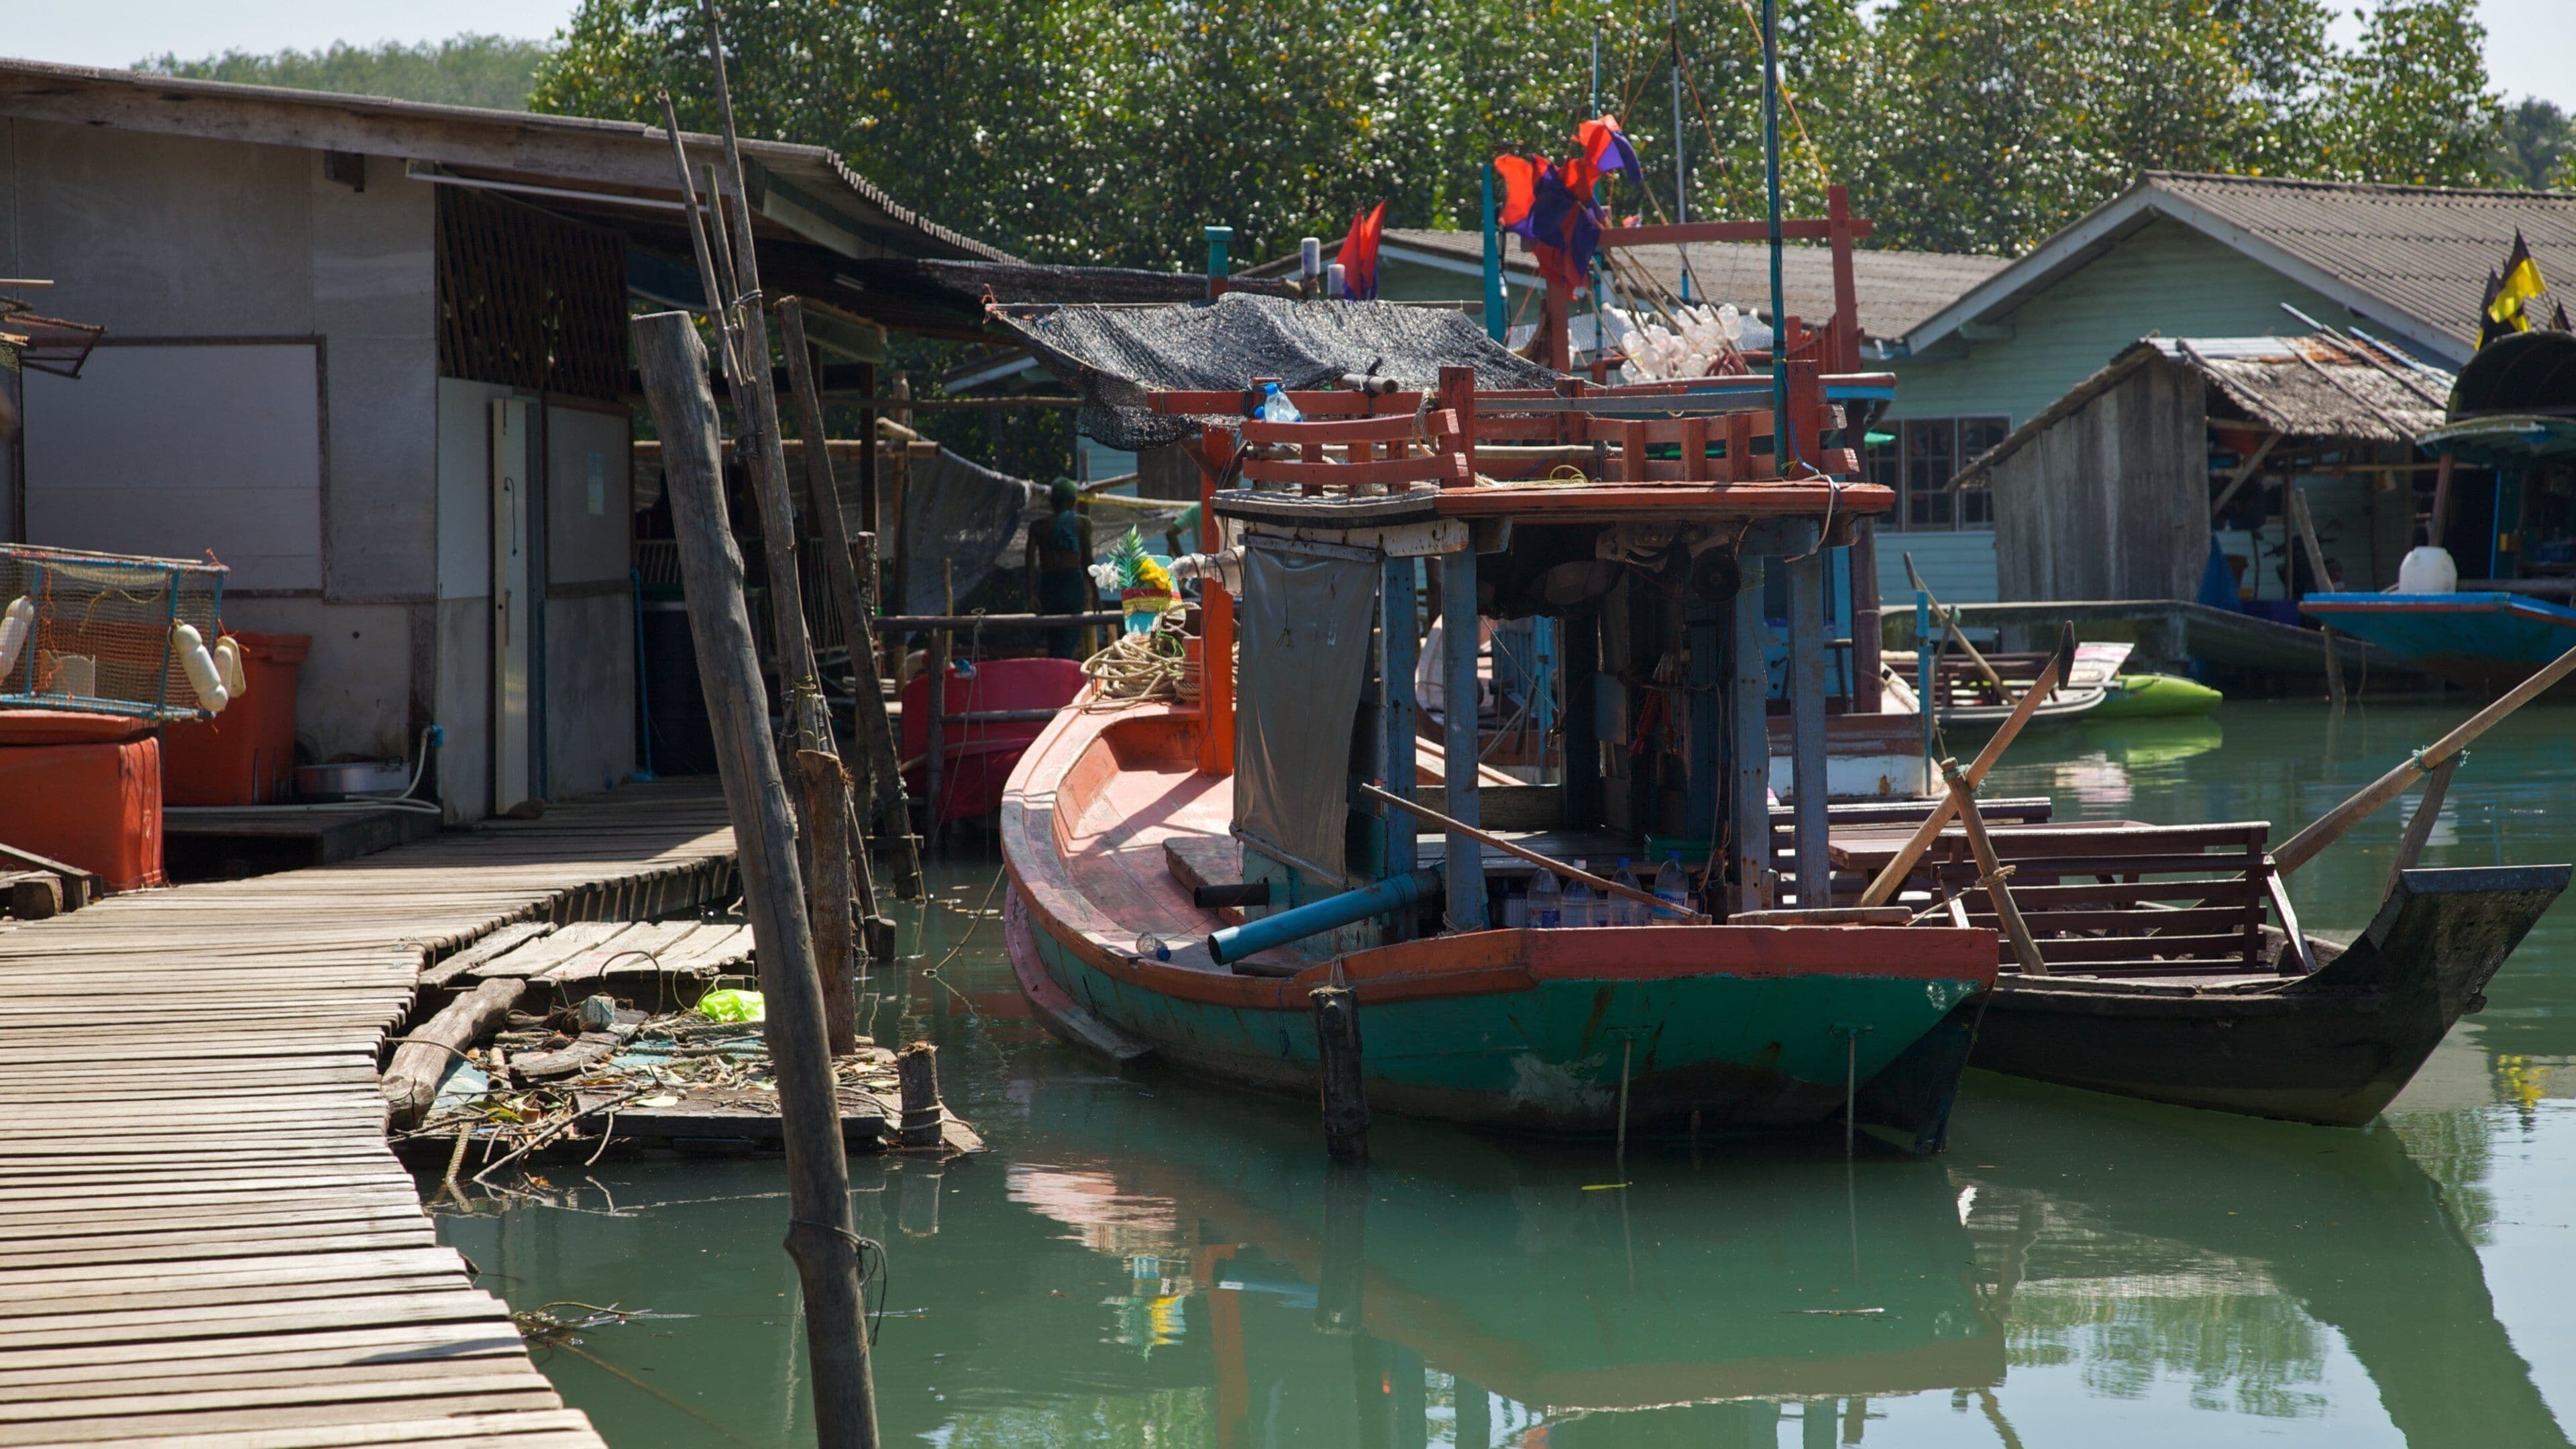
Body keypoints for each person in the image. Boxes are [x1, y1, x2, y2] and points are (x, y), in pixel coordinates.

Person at [1026, 477, 1094, 659]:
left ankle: (1057, 670)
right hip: (1072, 586)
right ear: (1074, 502)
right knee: (1068, 641)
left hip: (1049, 586)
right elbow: (1088, 561)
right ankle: (1061, 672)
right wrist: (1095, 594)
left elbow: (1030, 564)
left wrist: (1031, 594)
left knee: (1054, 640)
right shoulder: (1082, 524)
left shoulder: (1038, 527)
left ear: (1052, 502)